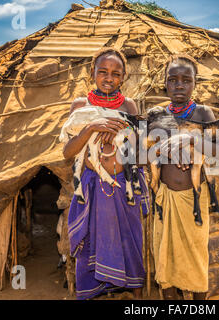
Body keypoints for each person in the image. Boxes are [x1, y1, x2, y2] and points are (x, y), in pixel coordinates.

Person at [63, 48, 149, 300]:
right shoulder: (81, 105)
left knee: (129, 241)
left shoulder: (129, 105)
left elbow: (141, 155)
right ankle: (91, 292)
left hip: (124, 188)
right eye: (103, 72)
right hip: (91, 187)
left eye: (115, 73)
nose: (108, 78)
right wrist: (91, 128)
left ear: (123, 78)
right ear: (92, 74)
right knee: (91, 241)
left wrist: (124, 137)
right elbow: (68, 152)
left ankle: (136, 298)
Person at [152, 54, 219, 300]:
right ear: (165, 83)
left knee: (195, 258)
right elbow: (140, 154)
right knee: (166, 259)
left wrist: (191, 139)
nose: (179, 85)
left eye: (186, 80)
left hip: (194, 201)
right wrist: (164, 148)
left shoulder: (203, 113)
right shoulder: (157, 115)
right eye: (172, 80)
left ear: (195, 83)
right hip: (164, 201)